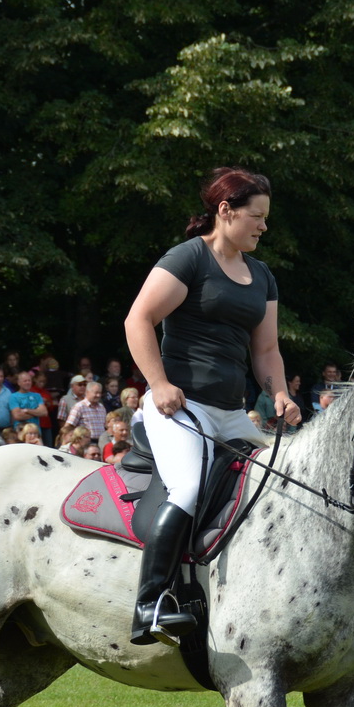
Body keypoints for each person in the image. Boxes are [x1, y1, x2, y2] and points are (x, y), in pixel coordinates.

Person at [121, 166, 299, 644]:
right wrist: (157, 383)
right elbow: (138, 319)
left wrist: (279, 393)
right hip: (178, 408)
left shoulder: (261, 275)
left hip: (231, 412)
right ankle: (150, 604)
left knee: (279, 483)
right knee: (187, 488)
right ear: (225, 211)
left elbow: (265, 351)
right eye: (256, 216)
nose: (264, 225)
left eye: (266, 218)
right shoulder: (188, 259)